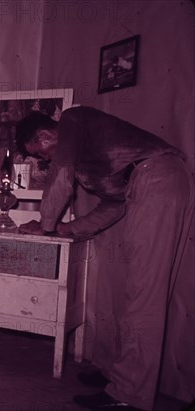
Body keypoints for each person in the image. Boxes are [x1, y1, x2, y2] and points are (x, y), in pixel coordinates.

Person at [15, 107, 194, 411]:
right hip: (149, 185)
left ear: (46, 135)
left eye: (42, 154)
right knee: (132, 289)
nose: (46, 161)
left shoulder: (72, 119)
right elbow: (114, 205)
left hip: (158, 179)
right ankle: (117, 374)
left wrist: (45, 227)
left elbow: (61, 173)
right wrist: (68, 229)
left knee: (144, 295)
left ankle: (128, 395)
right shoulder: (93, 158)